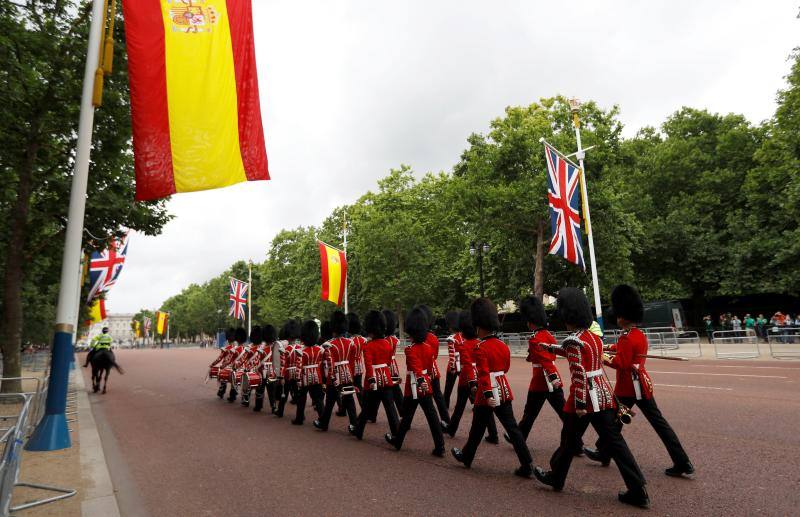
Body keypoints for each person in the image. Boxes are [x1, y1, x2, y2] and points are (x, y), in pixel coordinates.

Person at [533, 287, 649, 509]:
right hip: (603, 396)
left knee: (568, 439)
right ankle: (638, 489)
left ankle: (556, 477)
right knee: (615, 442)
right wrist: (549, 347)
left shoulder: (574, 340)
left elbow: (578, 374)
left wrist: (578, 404)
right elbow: (578, 355)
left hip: (584, 399)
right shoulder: (593, 338)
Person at [584, 285, 694, 479]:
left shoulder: (627, 338)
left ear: (623, 316)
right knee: (657, 424)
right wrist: (607, 347)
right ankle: (682, 461)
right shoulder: (637, 335)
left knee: (612, 421)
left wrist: (601, 357)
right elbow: (621, 349)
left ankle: (604, 451)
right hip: (642, 384)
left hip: (628, 387)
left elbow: (622, 363)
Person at [451, 298, 532, 478]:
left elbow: (484, 374)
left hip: (487, 393)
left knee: (477, 428)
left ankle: (467, 456)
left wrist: (487, 393)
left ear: (479, 326)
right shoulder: (503, 346)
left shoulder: (480, 348)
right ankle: (527, 463)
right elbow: (505, 368)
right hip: (503, 389)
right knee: (512, 429)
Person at [507, 296, 568, 447]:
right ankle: (576, 442)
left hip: (541, 380)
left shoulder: (535, 338)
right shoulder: (548, 335)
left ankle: (519, 438)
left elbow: (545, 360)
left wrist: (552, 377)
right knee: (563, 413)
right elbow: (547, 355)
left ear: (530, 321)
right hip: (551, 378)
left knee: (530, 413)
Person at [384, 307, 446, 457]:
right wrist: (426, 381)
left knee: (408, 416)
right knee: (430, 417)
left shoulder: (410, 349)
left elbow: (416, 368)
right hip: (425, 385)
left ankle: (398, 441)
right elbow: (430, 368)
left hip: (414, 386)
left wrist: (421, 381)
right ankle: (440, 446)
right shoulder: (428, 348)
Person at [444, 309, 498, 443]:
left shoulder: (463, 345)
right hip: (481, 378)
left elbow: (467, 365)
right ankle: (493, 434)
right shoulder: (480, 343)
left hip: (466, 379)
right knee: (485, 407)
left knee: (459, 406)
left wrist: (471, 381)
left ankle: (452, 428)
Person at [352, 310, 400, 440]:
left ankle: (358, 430)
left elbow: (368, 365)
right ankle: (397, 434)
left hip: (373, 380)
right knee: (390, 408)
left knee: (367, 407)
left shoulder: (368, 346)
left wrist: (372, 379)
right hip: (386, 378)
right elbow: (389, 362)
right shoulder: (387, 344)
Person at [315, 311, 359, 431]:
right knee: (349, 400)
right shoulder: (351, 343)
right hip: (347, 375)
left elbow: (330, 364)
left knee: (329, 402)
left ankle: (324, 423)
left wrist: (331, 379)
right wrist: (351, 376)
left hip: (334, 376)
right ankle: (355, 425)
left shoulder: (329, 345)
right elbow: (352, 362)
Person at [418, 305, 451, 428]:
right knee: (438, 397)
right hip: (433, 370)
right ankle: (446, 420)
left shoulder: (419, 338)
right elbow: (435, 355)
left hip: (422, 372)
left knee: (414, 399)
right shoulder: (433, 338)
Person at [293, 320, 325, 425]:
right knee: (318, 399)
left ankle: (299, 418)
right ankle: (323, 419)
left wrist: (297, 379)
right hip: (317, 376)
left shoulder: (301, 351)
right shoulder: (320, 349)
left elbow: (299, 367)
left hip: (304, 377)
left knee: (301, 398)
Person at [275, 320, 302, 417]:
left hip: (287, 374)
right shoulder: (300, 348)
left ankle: (280, 412)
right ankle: (300, 414)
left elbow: (283, 365)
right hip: (297, 373)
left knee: (284, 394)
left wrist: (281, 377)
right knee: (298, 395)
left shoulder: (285, 349)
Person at [253, 324, 279, 414]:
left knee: (260, 389)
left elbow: (257, 360)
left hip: (262, 370)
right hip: (272, 371)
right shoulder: (276, 348)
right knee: (272, 391)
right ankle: (274, 407)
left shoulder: (262, 349)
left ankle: (258, 406)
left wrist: (255, 368)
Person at [383, 310, 404, 414]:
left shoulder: (384, 340)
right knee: (396, 390)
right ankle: (403, 411)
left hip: (385, 366)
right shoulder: (394, 339)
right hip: (393, 365)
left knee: (384, 391)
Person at [443, 310, 461, 409]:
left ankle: (445, 404)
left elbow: (452, 354)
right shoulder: (464, 337)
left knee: (448, 387)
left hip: (454, 365)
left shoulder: (452, 338)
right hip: (464, 364)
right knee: (467, 385)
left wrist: (452, 367)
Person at [348, 313, 367, 406]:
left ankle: (363, 407)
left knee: (349, 387)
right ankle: (363, 406)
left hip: (350, 366)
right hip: (359, 365)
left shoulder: (349, 341)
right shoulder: (363, 340)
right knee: (358, 385)